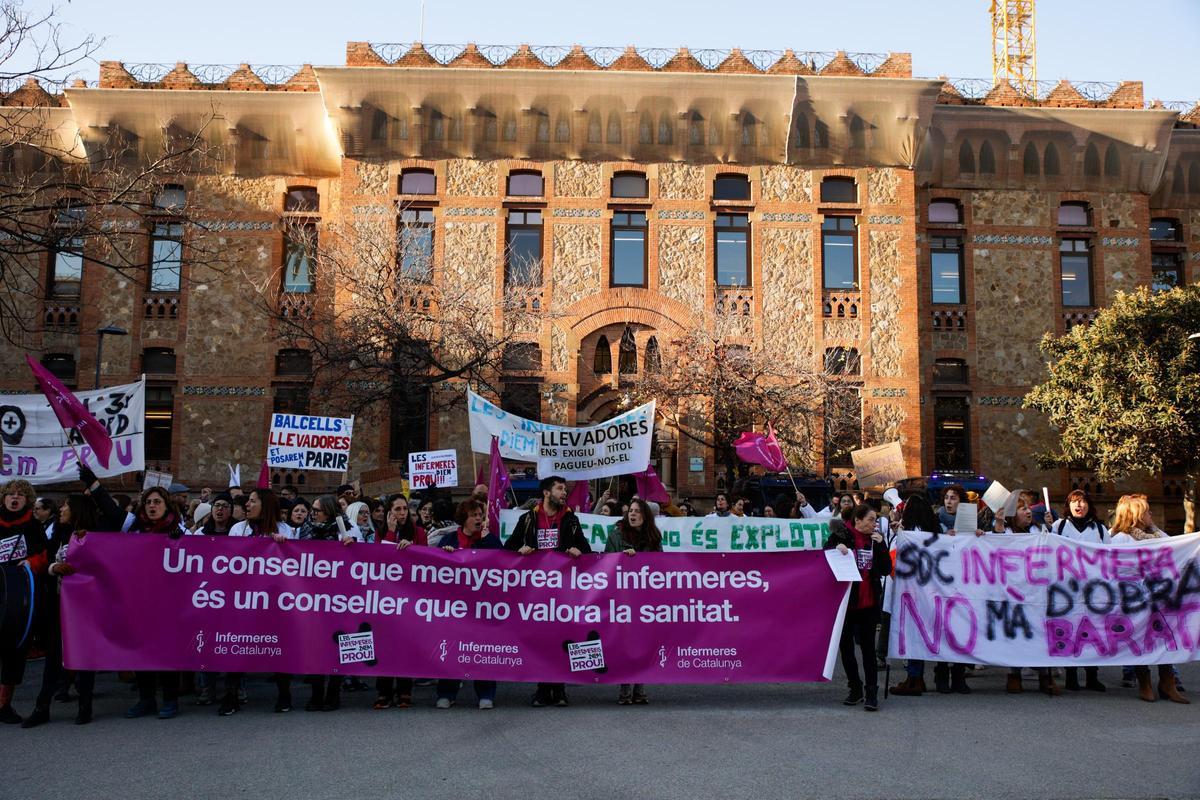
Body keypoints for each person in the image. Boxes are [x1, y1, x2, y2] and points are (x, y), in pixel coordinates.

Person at [82, 475, 188, 719]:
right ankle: (146, 699)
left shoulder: (180, 531)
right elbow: (109, 507)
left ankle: (170, 700)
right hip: (138, 601)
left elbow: (196, 563)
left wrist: (180, 544)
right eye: (149, 502)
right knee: (141, 652)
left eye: (157, 502)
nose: (152, 506)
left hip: (167, 604)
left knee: (166, 653)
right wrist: (92, 483)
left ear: (167, 506)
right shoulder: (133, 525)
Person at [506, 476, 590, 707]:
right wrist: (519, 551)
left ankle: (560, 688)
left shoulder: (571, 520)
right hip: (536, 592)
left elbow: (587, 550)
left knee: (562, 637)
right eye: (560, 488)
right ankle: (543, 688)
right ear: (546, 492)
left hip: (563, 591)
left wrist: (577, 551)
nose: (564, 492)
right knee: (541, 639)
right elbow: (508, 549)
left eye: (565, 488)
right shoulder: (528, 519)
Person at [1109, 494, 1188, 704]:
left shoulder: (1157, 534)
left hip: (1160, 598)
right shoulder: (1120, 539)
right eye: (1146, 511)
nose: (1150, 514)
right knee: (1140, 639)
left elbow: (1176, 548)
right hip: (1134, 600)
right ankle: (1144, 681)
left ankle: (1167, 683)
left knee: (1165, 638)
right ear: (1135, 515)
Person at [26, 494, 98, 727]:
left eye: (66, 505)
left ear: (77, 510)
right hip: (59, 605)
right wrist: (54, 567)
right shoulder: (57, 534)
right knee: (54, 656)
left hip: (87, 608)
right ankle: (42, 707)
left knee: (85, 655)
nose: (62, 508)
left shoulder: (95, 537)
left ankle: (85, 705)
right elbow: (45, 562)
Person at [889, 494, 969, 697]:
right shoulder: (937, 531)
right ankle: (917, 678)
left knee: (915, 634)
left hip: (914, 593)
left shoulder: (909, 533)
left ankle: (915, 678)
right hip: (936, 592)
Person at [434, 499, 502, 709]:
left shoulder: (491, 541)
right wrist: (444, 556)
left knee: (483, 649)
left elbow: (503, 566)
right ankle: (447, 692)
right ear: (464, 518)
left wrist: (483, 541)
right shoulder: (449, 539)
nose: (479, 518)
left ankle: (486, 694)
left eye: (481, 515)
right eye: (474, 515)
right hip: (454, 607)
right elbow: (434, 568)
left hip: (482, 607)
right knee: (451, 648)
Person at [825, 503, 890, 712]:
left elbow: (886, 569)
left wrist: (881, 547)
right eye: (871, 519)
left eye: (876, 520)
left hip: (869, 603)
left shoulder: (875, 540)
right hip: (847, 603)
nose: (874, 524)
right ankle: (855, 688)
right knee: (846, 648)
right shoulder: (841, 535)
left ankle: (872, 691)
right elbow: (824, 556)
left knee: (868, 649)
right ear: (858, 520)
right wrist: (836, 549)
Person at [0, 480, 49, 724]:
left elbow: (42, 555)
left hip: (20, 598)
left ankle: (3, 704)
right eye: (10, 494)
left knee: (14, 651)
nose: (14, 498)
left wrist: (30, 564)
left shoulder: (33, 526)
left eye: (20, 495)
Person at [604, 499, 662, 705]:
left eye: (637, 511)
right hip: (623, 598)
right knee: (625, 644)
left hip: (645, 599)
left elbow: (660, 566)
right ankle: (625, 687)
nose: (632, 514)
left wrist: (642, 559)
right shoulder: (616, 535)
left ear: (645, 516)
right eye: (630, 511)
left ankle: (640, 687)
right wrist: (622, 558)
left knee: (643, 643)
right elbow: (606, 563)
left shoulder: (654, 538)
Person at [1051, 490, 1108, 692]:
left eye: (1082, 501)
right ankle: (1071, 676)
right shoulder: (1059, 527)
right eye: (1075, 501)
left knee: (1093, 632)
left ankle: (1092, 676)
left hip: (1094, 592)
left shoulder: (1100, 529)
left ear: (1089, 505)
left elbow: (1109, 558)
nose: (1079, 505)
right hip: (1066, 591)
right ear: (1069, 505)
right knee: (1070, 631)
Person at [373, 494, 426, 710]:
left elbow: (426, 561)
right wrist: (391, 532)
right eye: (397, 509)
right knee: (385, 645)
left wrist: (412, 549)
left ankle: (405, 690)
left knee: (405, 644)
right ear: (389, 512)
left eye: (404, 509)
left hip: (410, 598)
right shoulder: (381, 533)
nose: (402, 513)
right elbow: (381, 559)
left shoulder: (419, 532)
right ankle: (383, 692)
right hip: (386, 598)